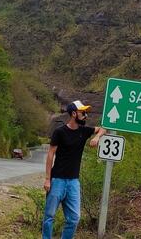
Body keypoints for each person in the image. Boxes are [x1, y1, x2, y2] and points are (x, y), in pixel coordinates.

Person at [42, 100, 106, 239]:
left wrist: (96, 137)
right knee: (49, 216)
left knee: (74, 218)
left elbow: (103, 128)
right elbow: (50, 154)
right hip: (57, 180)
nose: (85, 116)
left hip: (73, 182)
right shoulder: (60, 132)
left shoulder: (84, 131)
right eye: (83, 113)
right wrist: (47, 179)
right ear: (73, 114)